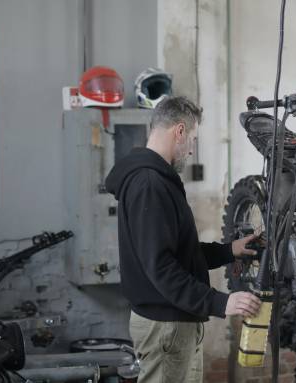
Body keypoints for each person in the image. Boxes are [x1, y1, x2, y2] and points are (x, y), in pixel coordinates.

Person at [105, 96, 262, 382]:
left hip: (175, 323)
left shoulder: (155, 180)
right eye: (192, 139)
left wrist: (230, 251)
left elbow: (179, 252)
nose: (191, 150)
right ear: (179, 131)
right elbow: (161, 266)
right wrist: (219, 303)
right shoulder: (149, 184)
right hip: (167, 325)